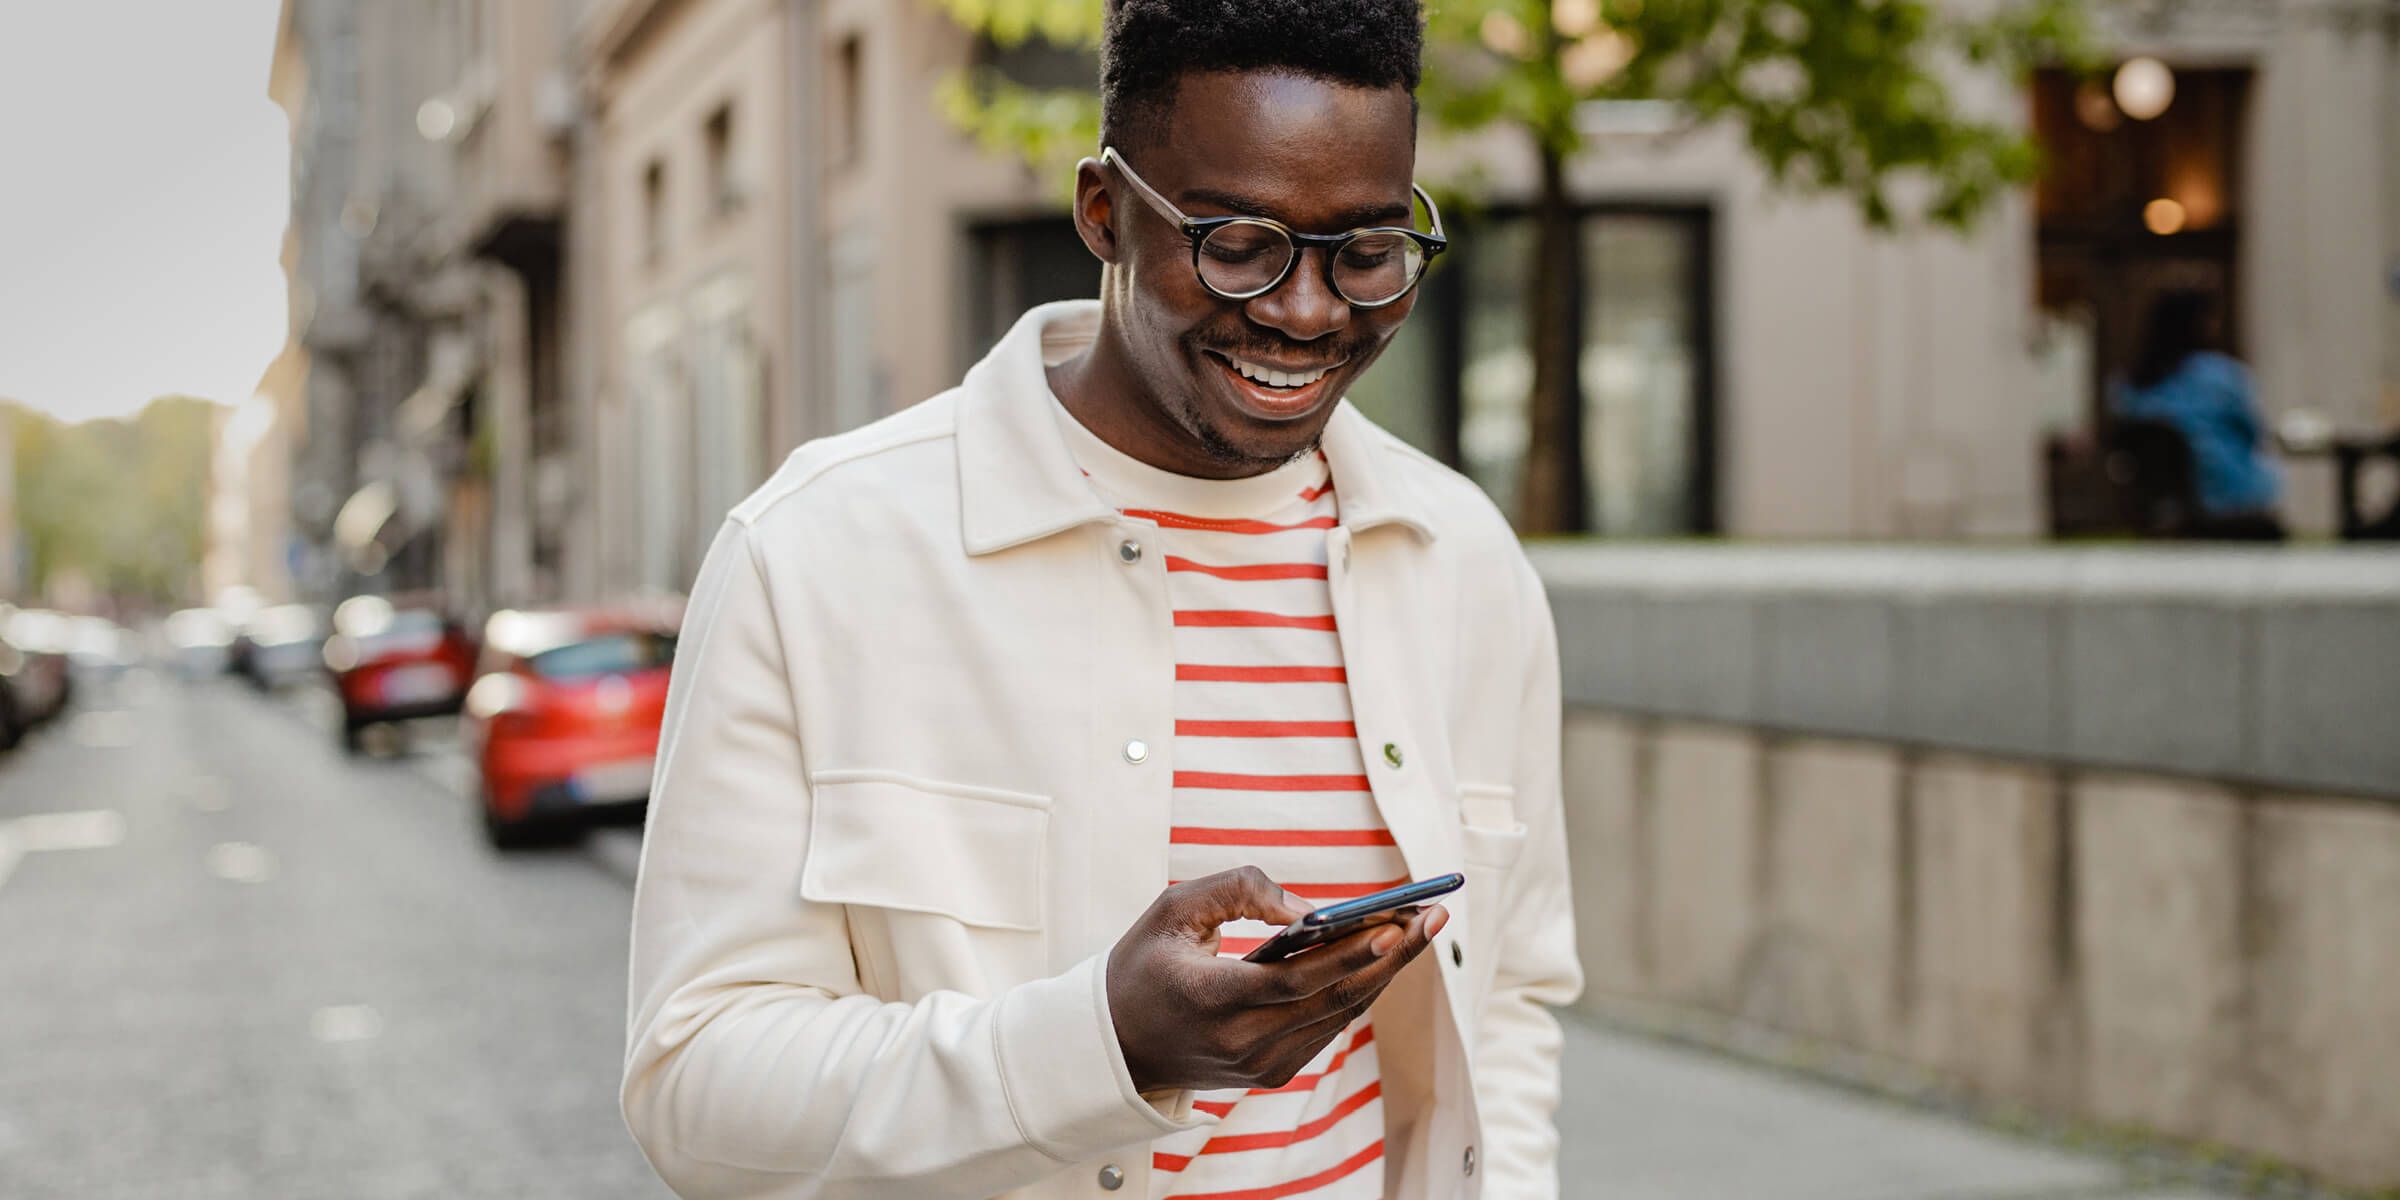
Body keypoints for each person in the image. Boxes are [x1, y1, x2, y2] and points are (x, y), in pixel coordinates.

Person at [620, 2, 1580, 1196]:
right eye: (1238, 243)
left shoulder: (1465, 562)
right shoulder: (812, 555)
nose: (1308, 311)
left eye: (1368, 252)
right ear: (1103, 212)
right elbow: (695, 1088)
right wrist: (1101, 1046)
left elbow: (1517, 992)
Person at [2110, 289, 2284, 536]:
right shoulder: (2221, 377)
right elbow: (2254, 433)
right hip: (2230, 497)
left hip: (2162, 506)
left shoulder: (2130, 385)